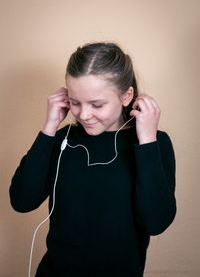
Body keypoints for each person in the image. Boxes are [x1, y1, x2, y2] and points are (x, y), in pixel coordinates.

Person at [9, 42, 176, 277]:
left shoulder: (153, 143)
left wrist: (147, 141)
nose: (84, 115)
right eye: (75, 102)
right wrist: (49, 128)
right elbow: (21, 200)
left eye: (97, 104)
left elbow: (156, 222)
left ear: (127, 95)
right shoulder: (61, 140)